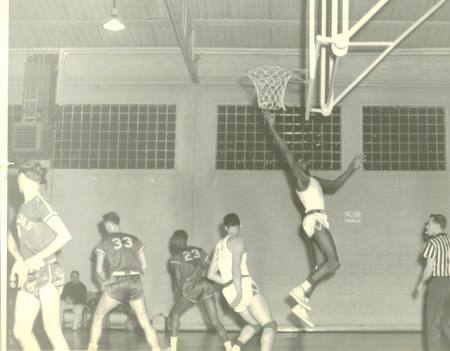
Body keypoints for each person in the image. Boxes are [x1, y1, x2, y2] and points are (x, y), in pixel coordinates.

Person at [265, 114, 364, 327]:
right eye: (298, 162)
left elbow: (336, 184)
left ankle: (302, 304)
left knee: (320, 267)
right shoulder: (300, 179)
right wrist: (273, 129)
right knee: (334, 262)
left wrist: (352, 167)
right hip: (314, 218)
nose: (300, 161)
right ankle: (301, 290)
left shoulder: (314, 181)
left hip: (315, 222)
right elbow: (286, 153)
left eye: (302, 161)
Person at [8, 160, 72, 351]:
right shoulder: (23, 208)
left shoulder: (40, 204)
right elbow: (11, 237)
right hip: (30, 274)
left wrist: (36, 258)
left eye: (18, 177)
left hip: (47, 271)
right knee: (20, 331)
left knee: (52, 329)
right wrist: (19, 260)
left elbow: (65, 235)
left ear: (22, 177)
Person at [87, 211, 162, 351]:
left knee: (98, 316)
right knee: (144, 320)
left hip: (117, 280)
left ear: (108, 224)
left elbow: (98, 270)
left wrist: (105, 282)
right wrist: (132, 278)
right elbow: (145, 266)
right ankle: (157, 348)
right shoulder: (134, 239)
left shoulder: (104, 241)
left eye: (105, 226)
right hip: (135, 280)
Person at [208, 213, 277, 351]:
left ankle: (236, 348)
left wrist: (229, 284)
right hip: (242, 285)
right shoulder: (238, 240)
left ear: (226, 227)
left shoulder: (219, 246)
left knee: (254, 324)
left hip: (228, 290)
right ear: (241, 225)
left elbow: (210, 274)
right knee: (270, 325)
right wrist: (239, 291)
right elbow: (236, 268)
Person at [168, 230, 232, 351]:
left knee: (175, 314)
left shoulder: (175, 256)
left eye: (175, 239)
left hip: (192, 285)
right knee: (214, 321)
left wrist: (180, 293)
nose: (173, 241)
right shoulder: (199, 250)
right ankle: (230, 348)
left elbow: (178, 279)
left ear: (181, 239)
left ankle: (172, 348)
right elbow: (210, 269)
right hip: (206, 284)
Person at [413, 214, 450, 351]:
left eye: (428, 224)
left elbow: (429, 269)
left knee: (433, 324)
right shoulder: (449, 240)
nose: (426, 227)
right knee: (447, 323)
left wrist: (421, 284)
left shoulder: (433, 243)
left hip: (438, 284)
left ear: (436, 225)